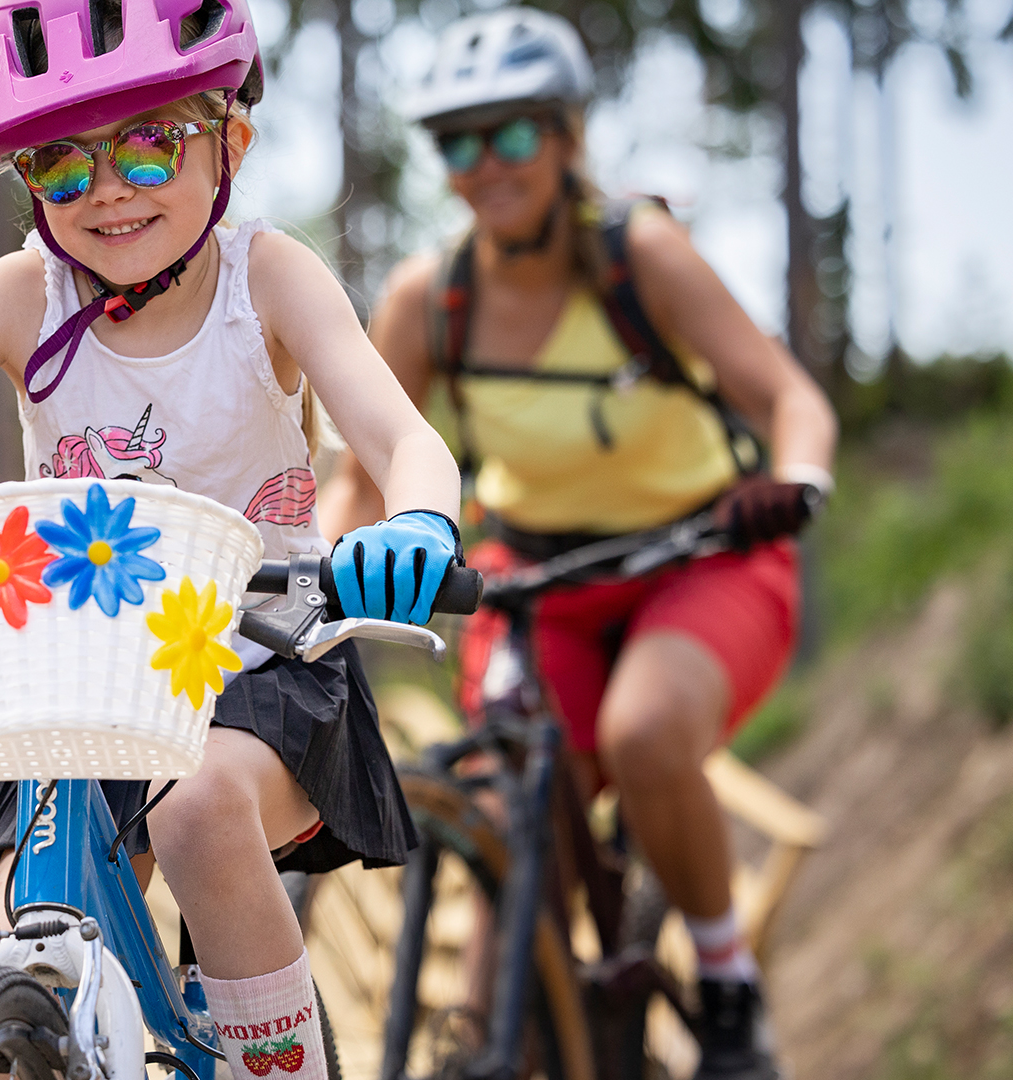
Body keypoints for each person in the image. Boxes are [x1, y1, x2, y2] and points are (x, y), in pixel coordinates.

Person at [0, 0, 464, 1074]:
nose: (106, 188)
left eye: (149, 145)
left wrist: (419, 520)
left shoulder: (267, 281)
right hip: (76, 674)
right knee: (31, 897)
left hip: (261, 661)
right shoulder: (21, 294)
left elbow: (402, 439)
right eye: (59, 164)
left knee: (194, 812)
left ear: (229, 144)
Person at [316, 9, 837, 1079]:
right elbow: (357, 476)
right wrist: (320, 569)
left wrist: (793, 479)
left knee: (645, 733)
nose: (485, 166)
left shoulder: (638, 253)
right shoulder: (431, 297)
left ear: (565, 137)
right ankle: (505, 1037)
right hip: (536, 577)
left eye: (511, 135)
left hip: (700, 557)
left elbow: (789, 398)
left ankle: (729, 984)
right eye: (458, 142)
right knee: (517, 814)